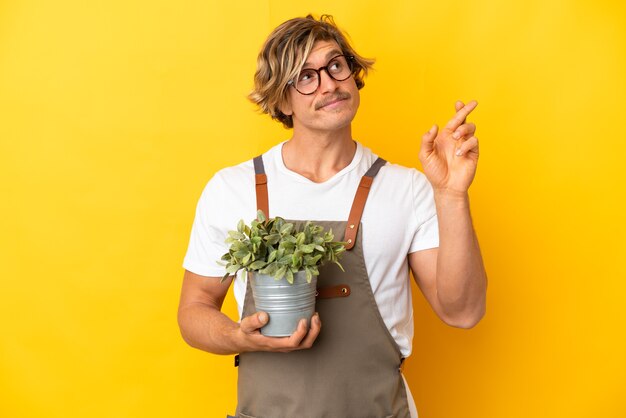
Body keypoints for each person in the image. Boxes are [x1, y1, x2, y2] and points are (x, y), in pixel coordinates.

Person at [177, 14, 487, 418]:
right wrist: (241, 335)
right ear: (281, 99)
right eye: (306, 76)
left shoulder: (406, 188)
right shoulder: (231, 188)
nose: (328, 83)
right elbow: (193, 311)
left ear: (353, 76)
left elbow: (462, 311)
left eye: (335, 65)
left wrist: (451, 194)